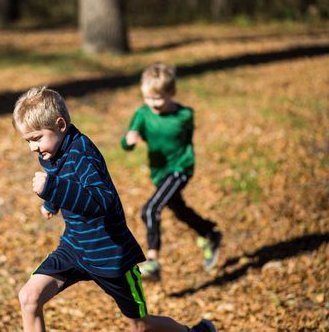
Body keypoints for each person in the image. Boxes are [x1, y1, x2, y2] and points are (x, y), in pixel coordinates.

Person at [12, 86, 216, 332]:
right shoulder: (51, 149)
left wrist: (53, 190)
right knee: (29, 297)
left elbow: (101, 201)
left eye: (36, 138)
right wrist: (51, 202)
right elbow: (61, 177)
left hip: (111, 255)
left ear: (61, 125)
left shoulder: (83, 154)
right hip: (75, 247)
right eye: (28, 141)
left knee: (141, 326)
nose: (33, 147)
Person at [121, 62, 222, 280]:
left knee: (150, 209)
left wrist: (182, 162)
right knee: (179, 210)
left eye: (158, 98)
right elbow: (127, 140)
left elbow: (179, 140)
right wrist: (129, 141)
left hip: (180, 169)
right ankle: (209, 233)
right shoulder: (142, 114)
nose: (153, 103)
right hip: (159, 173)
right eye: (148, 98)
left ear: (171, 93)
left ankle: (153, 261)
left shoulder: (185, 115)